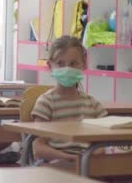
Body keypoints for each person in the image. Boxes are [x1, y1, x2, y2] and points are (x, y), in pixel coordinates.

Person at [31, 36, 107, 167]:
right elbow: (38, 148)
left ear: (83, 65)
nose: (67, 69)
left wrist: (90, 157)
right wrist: (68, 157)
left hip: (88, 162)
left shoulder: (92, 104)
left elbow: (102, 144)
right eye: (60, 63)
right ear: (50, 66)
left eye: (73, 64)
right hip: (56, 162)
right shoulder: (46, 102)